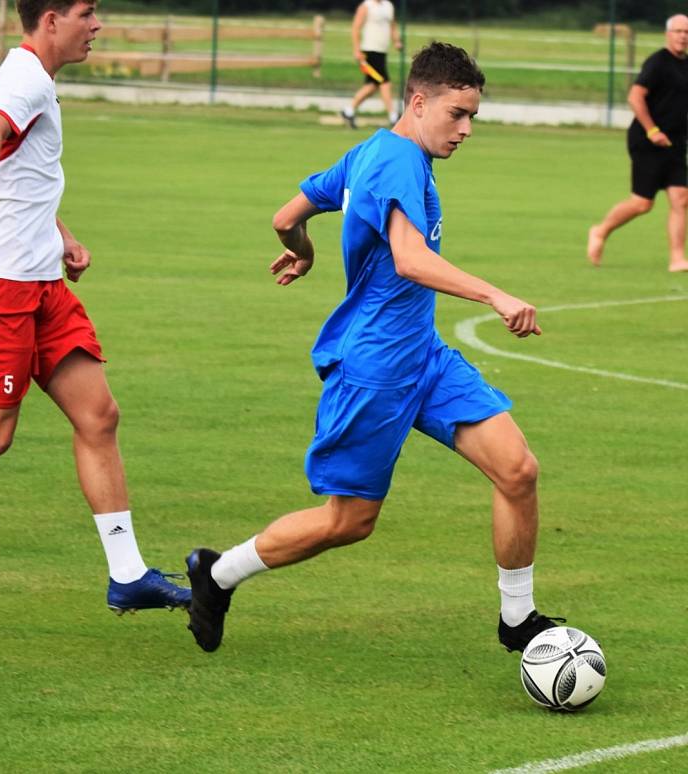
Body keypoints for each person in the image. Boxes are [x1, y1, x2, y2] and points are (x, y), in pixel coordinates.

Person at [185, 42, 562, 655]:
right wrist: (495, 295)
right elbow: (412, 260)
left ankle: (518, 618)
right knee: (349, 521)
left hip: (424, 357)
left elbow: (287, 214)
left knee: (517, 470)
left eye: (472, 117)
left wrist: (302, 249)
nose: (465, 130)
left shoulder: (372, 152)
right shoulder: (396, 162)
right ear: (418, 101)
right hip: (374, 368)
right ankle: (217, 573)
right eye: (457, 114)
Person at [0, 0, 190, 628]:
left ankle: (128, 574)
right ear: (50, 19)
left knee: (98, 414)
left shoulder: (37, 81)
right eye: (85, 12)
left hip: (41, 284)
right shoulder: (24, 77)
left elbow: (23, 176)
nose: (97, 25)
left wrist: (61, 235)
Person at [588, 15, 688, 272]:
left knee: (681, 198)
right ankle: (600, 231)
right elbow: (635, 97)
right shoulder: (658, 62)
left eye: (686, 31)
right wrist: (652, 130)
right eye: (678, 31)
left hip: (675, 142)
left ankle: (677, 258)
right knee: (643, 203)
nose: (683, 36)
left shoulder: (685, 65)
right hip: (647, 141)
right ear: (668, 34)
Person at [340, 0, 403, 129]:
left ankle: (348, 110)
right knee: (384, 82)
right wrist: (356, 49)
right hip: (369, 51)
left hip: (382, 51)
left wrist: (396, 41)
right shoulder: (366, 6)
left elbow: (393, 26)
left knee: (373, 85)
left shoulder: (388, 6)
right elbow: (356, 27)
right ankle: (393, 115)